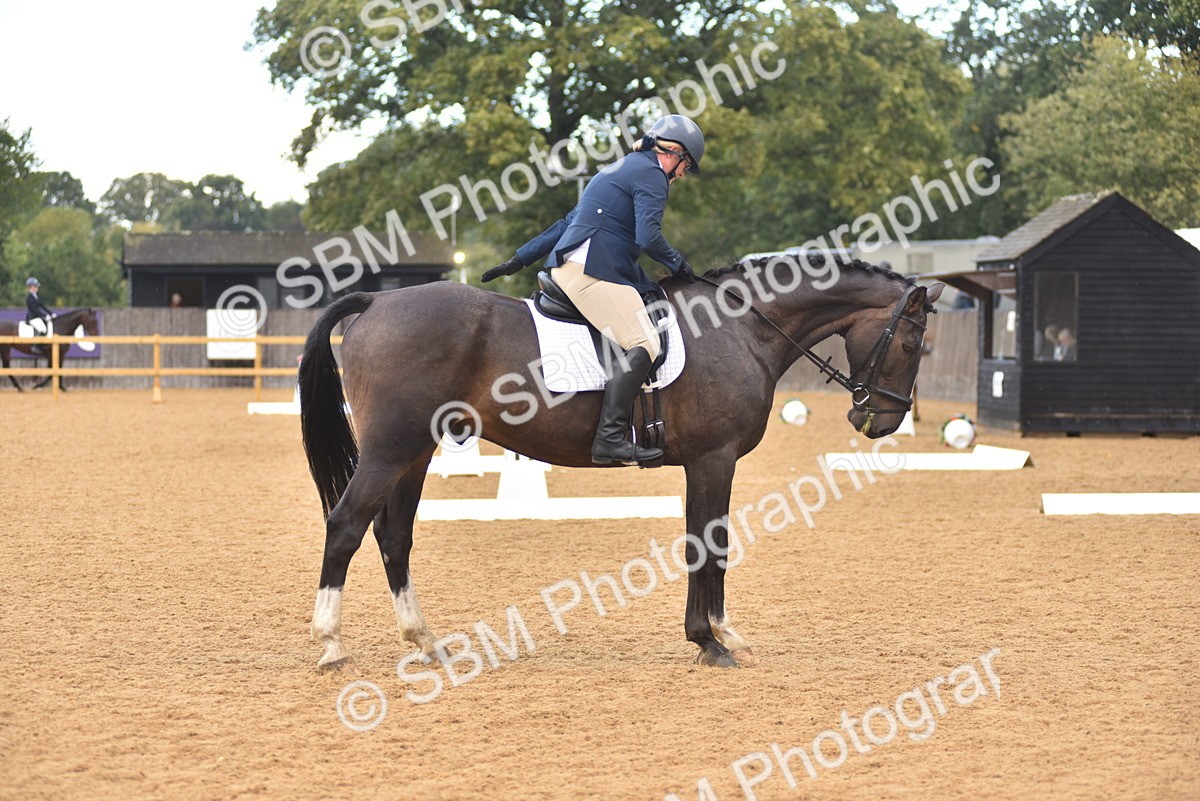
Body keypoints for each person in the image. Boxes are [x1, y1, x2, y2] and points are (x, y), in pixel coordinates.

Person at [482, 115, 703, 465]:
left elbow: (566, 224)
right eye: (685, 166)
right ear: (674, 152)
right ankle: (610, 438)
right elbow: (648, 237)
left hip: (570, 265)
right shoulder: (652, 174)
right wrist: (679, 263)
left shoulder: (615, 169)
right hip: (594, 270)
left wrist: (518, 260)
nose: (682, 175)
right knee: (645, 342)